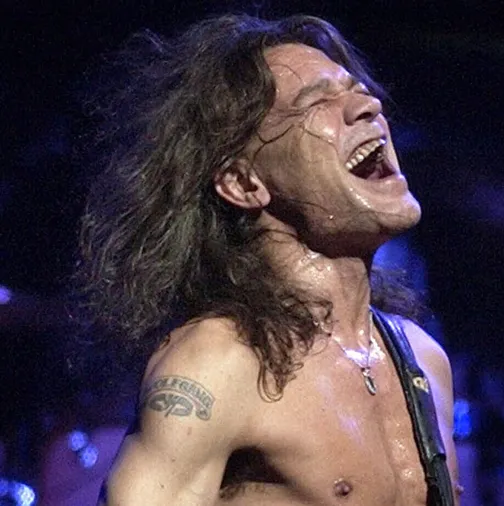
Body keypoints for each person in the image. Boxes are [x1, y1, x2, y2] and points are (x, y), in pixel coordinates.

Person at [74, 13, 459, 505]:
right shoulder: (218, 363)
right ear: (243, 183)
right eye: (316, 101)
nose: (369, 105)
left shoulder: (423, 361)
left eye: (357, 90)